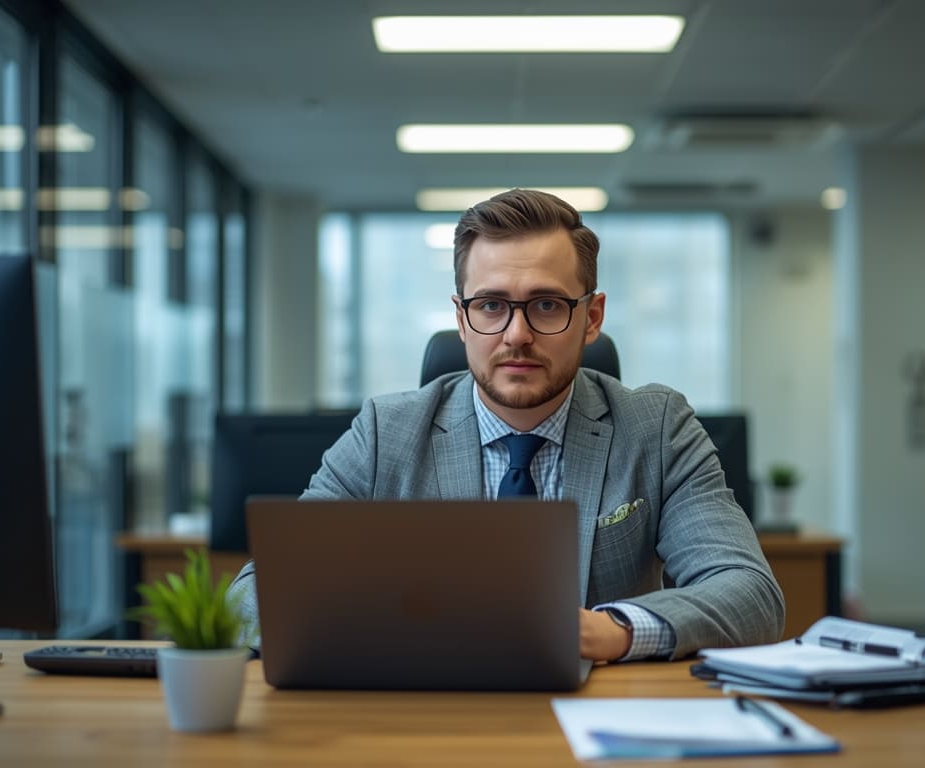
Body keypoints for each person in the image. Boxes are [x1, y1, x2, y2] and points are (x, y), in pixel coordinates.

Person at [228, 188, 784, 661]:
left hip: (597, 718)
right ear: (462, 318)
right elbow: (252, 598)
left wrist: (613, 629)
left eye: (545, 305)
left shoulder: (656, 428)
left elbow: (750, 594)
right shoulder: (385, 433)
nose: (516, 334)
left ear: (591, 318)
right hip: (428, 719)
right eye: (491, 306)